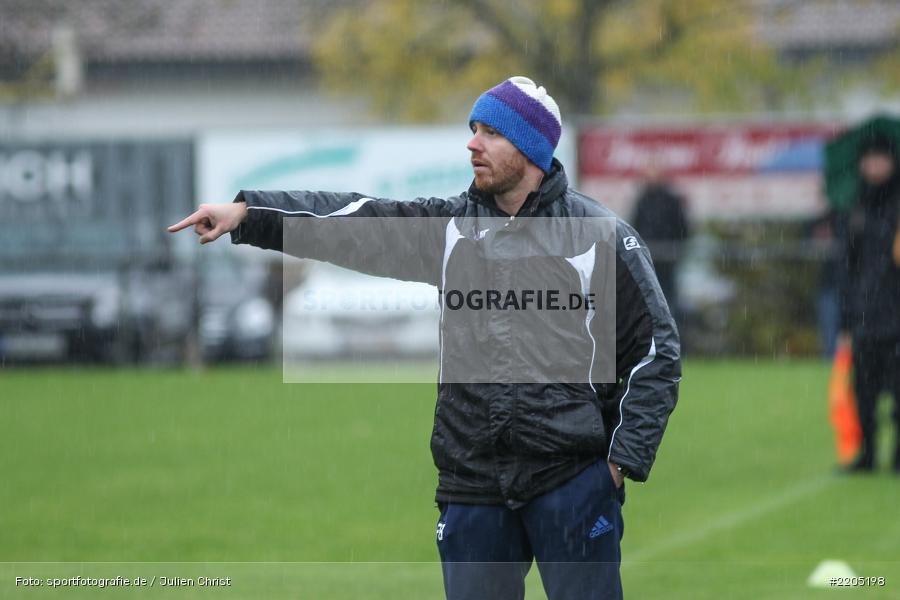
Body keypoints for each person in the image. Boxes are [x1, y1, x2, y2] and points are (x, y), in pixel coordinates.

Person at [169, 76, 681, 599]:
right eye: (472, 129)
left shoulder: (600, 235)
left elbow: (656, 353)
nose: (472, 144)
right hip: (472, 486)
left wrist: (618, 466)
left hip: (570, 482)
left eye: (489, 133)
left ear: (529, 148)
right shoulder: (450, 229)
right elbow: (350, 221)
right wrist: (250, 215)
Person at [836, 133, 900, 473]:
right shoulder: (855, 207)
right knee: (864, 391)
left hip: (896, 314)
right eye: (870, 159)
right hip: (865, 317)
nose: (875, 166)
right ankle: (867, 454)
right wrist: (846, 320)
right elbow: (846, 267)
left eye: (881, 158)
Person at [630, 171, 690, 328]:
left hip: (667, 260)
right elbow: (635, 228)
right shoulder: (643, 200)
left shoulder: (671, 201)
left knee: (669, 301)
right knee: (649, 302)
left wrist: (675, 249)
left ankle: (672, 338)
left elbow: (683, 228)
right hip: (649, 260)